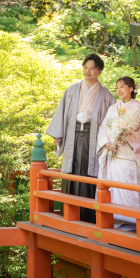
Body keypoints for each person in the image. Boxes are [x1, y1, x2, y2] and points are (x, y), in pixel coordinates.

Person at [46, 54, 116, 223]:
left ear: (99, 71)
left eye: (92, 68)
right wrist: (58, 135)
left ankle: (88, 216)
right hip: (72, 135)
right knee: (71, 170)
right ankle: (69, 214)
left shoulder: (106, 94)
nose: (88, 71)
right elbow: (62, 113)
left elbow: (113, 120)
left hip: (94, 139)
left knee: (89, 172)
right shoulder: (72, 90)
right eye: (85, 67)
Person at [96, 76, 140, 230]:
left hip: (130, 154)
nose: (119, 90)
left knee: (130, 186)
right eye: (117, 87)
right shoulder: (112, 108)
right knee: (116, 186)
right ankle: (119, 218)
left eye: (122, 87)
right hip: (115, 155)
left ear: (131, 88)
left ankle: (135, 219)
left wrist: (126, 138)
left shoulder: (138, 107)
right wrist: (107, 143)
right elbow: (103, 129)